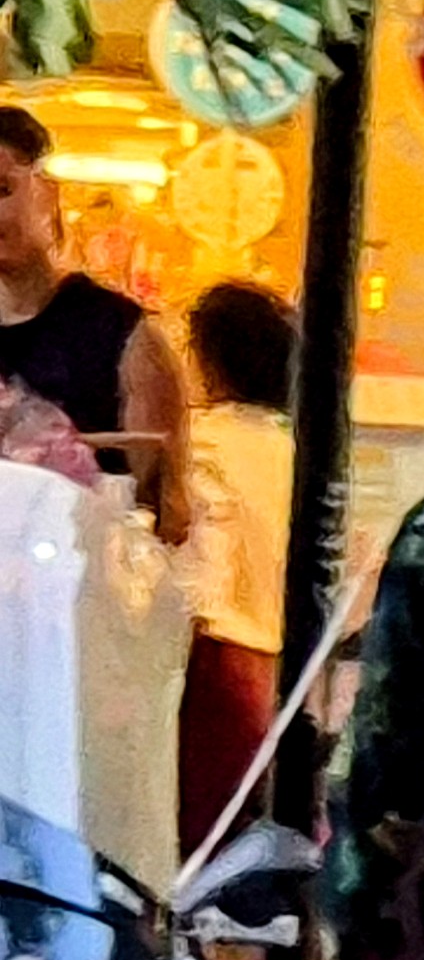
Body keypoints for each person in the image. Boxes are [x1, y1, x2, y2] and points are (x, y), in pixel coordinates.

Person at [0, 105, 188, 542]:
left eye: (2, 189)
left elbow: (166, 513)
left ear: (46, 192)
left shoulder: (121, 335)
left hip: (85, 585)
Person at [178, 282, 297, 857]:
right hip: (287, 666)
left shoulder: (200, 445)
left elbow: (195, 569)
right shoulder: (301, 447)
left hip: (215, 660)